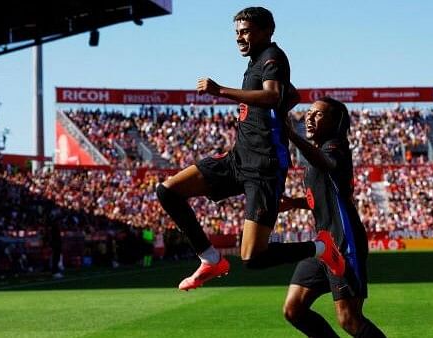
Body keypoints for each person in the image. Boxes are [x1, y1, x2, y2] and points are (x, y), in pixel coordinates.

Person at [156, 7, 344, 291]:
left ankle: (321, 248)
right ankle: (210, 259)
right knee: (168, 190)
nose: (239, 38)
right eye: (236, 33)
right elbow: (290, 95)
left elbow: (272, 95)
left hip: (264, 166)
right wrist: (279, 109)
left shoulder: (273, 57)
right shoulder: (256, 61)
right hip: (238, 158)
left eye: (245, 31)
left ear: (267, 31)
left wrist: (220, 91)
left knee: (252, 257)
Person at [280, 97, 385, 337]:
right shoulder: (317, 155)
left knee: (349, 319)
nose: (309, 117)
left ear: (335, 122)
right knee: (293, 309)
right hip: (323, 245)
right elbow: (325, 199)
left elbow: (327, 164)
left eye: (318, 114)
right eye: (308, 113)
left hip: (344, 242)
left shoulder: (336, 148)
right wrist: (294, 203)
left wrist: (292, 136)